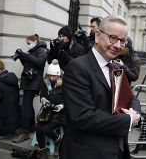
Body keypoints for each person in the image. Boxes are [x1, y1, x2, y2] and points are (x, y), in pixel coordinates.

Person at [60, 16, 141, 159]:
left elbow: (130, 97)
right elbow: (82, 117)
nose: (117, 45)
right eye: (113, 38)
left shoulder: (116, 67)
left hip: (117, 150)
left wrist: (134, 114)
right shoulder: (77, 67)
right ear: (97, 35)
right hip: (87, 153)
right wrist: (127, 120)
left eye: (122, 41)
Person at [13, 34, 47, 143]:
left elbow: (40, 63)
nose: (28, 45)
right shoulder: (33, 51)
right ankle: (31, 126)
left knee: (26, 105)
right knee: (27, 104)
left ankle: (25, 131)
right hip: (29, 81)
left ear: (35, 41)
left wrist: (25, 55)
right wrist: (21, 57)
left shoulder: (41, 50)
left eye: (29, 43)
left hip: (34, 81)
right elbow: (28, 64)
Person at [36, 59, 64, 159]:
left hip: (59, 114)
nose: (51, 78)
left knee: (46, 129)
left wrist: (61, 106)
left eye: (54, 76)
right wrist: (43, 100)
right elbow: (42, 96)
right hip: (47, 112)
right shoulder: (46, 83)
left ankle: (58, 141)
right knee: (38, 128)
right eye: (50, 76)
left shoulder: (64, 84)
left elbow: (68, 100)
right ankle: (42, 151)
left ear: (58, 75)